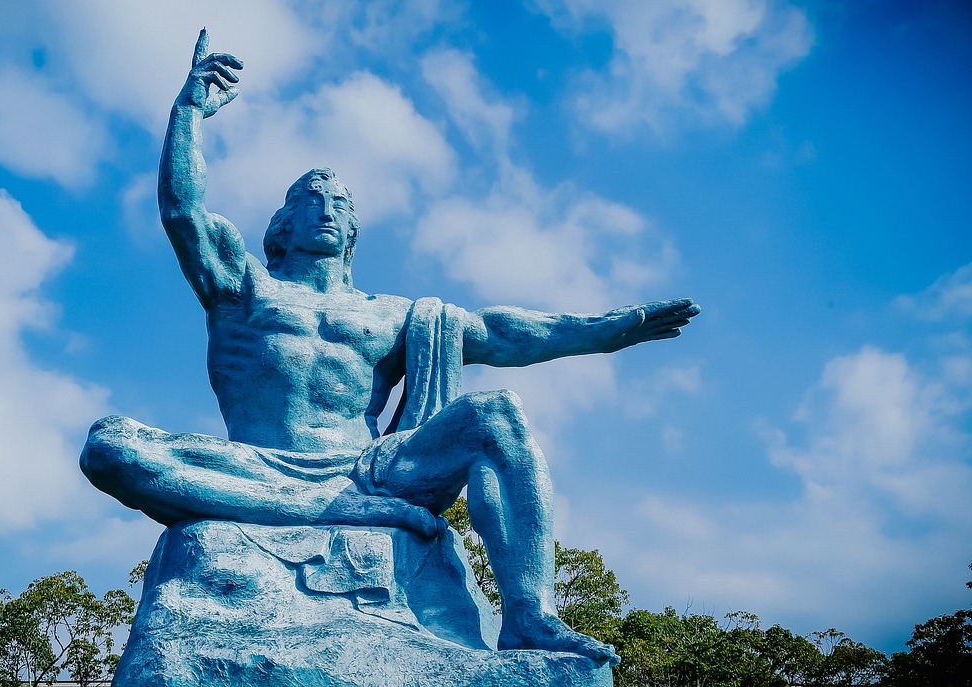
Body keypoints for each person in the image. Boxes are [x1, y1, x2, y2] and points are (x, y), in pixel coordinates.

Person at [81, 29, 699, 662]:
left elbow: (505, 333)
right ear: (283, 224)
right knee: (109, 446)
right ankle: (327, 507)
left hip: (370, 470)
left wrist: (604, 331)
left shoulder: (397, 316)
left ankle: (530, 616)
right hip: (261, 464)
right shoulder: (245, 290)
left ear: (353, 229)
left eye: (339, 204)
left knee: (499, 415)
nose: (325, 210)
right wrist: (188, 112)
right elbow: (184, 212)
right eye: (308, 200)